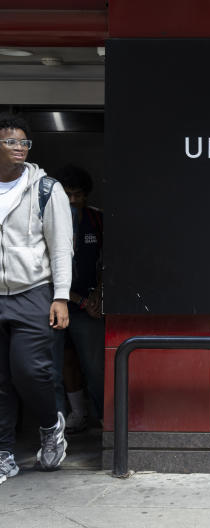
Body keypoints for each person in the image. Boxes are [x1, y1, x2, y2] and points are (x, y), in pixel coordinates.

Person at [0, 114, 72, 485]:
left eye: (24, 143)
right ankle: (4, 453)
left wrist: (60, 296)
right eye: (11, 141)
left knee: (31, 370)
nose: (19, 148)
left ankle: (49, 425)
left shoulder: (45, 188)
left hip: (32, 292)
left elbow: (61, 248)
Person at [51, 165, 103, 432]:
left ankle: (105, 418)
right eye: (67, 194)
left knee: (94, 365)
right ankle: (76, 414)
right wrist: (78, 300)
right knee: (63, 361)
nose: (72, 200)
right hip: (55, 304)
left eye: (78, 195)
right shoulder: (45, 220)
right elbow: (46, 269)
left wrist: (97, 294)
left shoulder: (97, 220)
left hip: (89, 307)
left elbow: (111, 261)